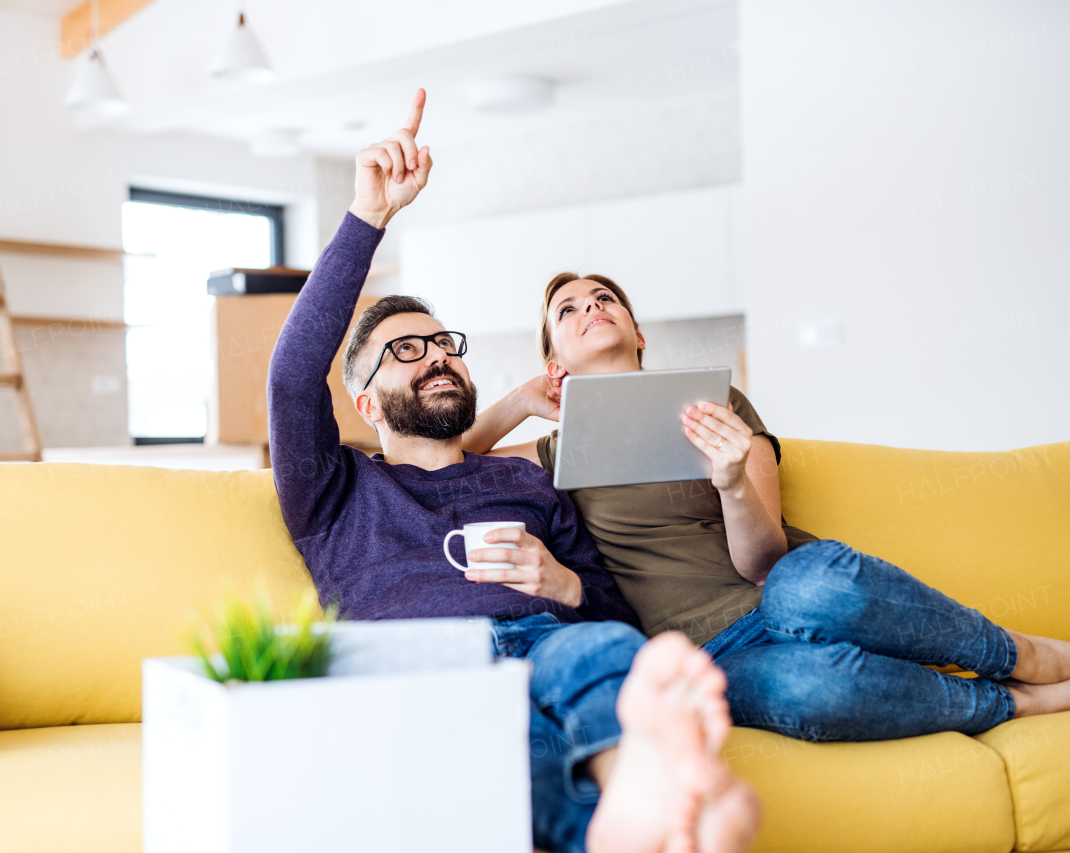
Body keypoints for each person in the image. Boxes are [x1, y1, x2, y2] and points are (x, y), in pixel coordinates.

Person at [267, 89, 759, 853]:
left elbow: (609, 608)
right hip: (430, 671)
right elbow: (293, 379)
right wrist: (369, 218)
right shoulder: (334, 490)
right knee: (508, 752)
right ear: (365, 402)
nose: (434, 354)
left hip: (544, 645)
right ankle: (633, 822)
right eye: (404, 349)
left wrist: (562, 583)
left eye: (443, 342)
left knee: (604, 654)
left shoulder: (526, 480)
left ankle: (645, 795)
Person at [463, 272, 1070, 742]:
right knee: (810, 691)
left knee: (813, 588)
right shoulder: (556, 452)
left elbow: (764, 562)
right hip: (711, 654)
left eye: (603, 298)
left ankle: (1024, 654)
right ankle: (1013, 702)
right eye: (567, 311)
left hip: (789, 592)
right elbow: (447, 460)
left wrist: (731, 483)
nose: (591, 307)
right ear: (555, 363)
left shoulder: (717, 404)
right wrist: (520, 399)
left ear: (638, 332)